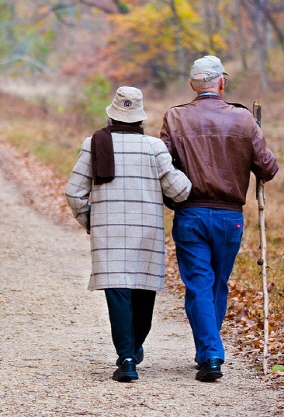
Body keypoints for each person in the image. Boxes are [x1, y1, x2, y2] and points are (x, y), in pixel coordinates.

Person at [160, 55, 279, 382]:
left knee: (199, 284)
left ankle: (209, 353)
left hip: (190, 213)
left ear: (192, 85)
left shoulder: (175, 117)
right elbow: (268, 168)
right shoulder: (243, 119)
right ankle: (210, 352)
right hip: (230, 218)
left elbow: (161, 164)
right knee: (216, 283)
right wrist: (253, 137)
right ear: (221, 83)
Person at [65, 86, 192, 382]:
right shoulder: (154, 147)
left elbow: (74, 193)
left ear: (111, 115)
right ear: (140, 119)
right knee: (142, 293)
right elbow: (180, 191)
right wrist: (184, 171)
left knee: (118, 294)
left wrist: (90, 221)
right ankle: (133, 350)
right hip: (146, 232)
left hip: (108, 234)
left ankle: (127, 358)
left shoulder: (93, 144)